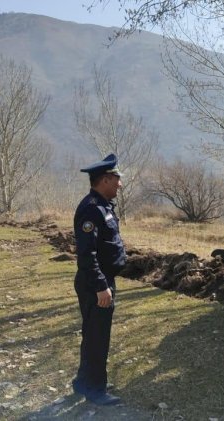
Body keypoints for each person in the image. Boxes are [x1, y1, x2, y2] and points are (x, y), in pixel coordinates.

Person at [71, 153, 126, 405]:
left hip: (100, 281)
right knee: (97, 338)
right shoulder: (92, 209)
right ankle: (95, 390)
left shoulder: (102, 206)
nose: (120, 184)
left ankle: (84, 382)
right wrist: (102, 286)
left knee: (92, 335)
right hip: (96, 284)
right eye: (117, 179)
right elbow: (87, 254)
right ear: (104, 179)